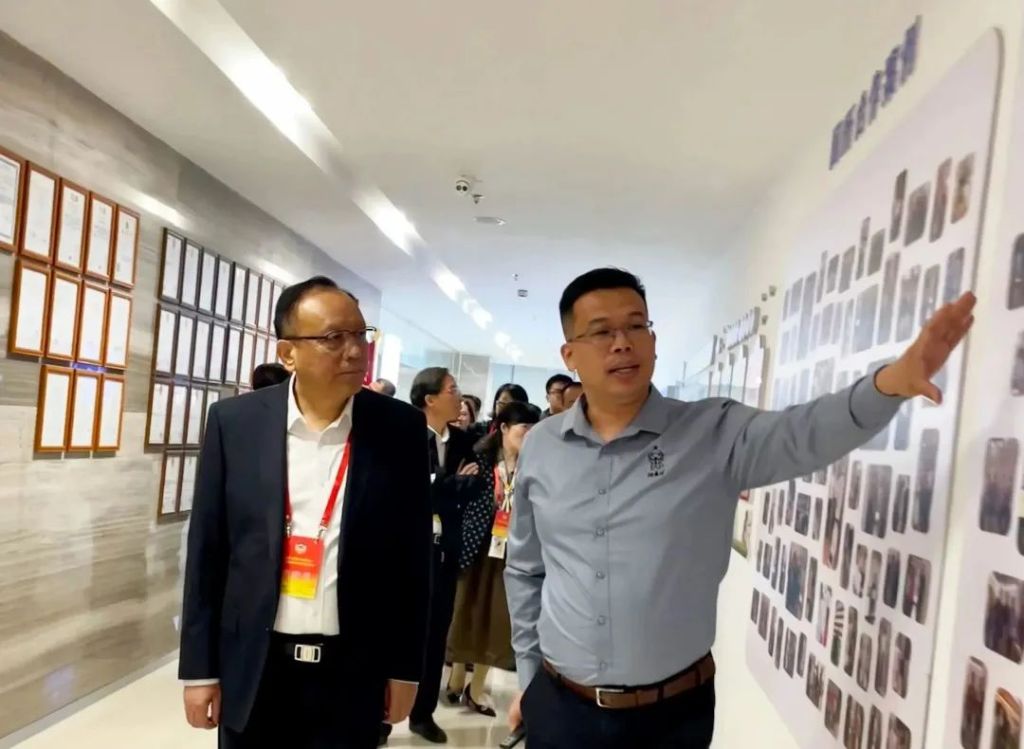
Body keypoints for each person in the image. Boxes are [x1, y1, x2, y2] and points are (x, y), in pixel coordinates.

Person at [504, 267, 976, 748]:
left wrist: (889, 384)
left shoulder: (713, 433)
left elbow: (804, 432)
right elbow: (525, 569)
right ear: (570, 355)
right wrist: (528, 675)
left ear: (652, 339)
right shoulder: (542, 447)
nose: (623, 343)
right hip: (561, 706)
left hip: (671, 718)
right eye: (602, 331)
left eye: (636, 325)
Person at [179, 276, 432, 749]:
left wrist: (405, 669)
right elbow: (208, 552)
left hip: (353, 669)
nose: (355, 351)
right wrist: (199, 671)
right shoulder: (235, 423)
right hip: (253, 666)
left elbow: (413, 562)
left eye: (360, 334)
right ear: (288, 353)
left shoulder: (400, 430)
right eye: (334, 337)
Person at [379, 367, 480, 746]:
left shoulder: (464, 441)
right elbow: (407, 493)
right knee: (393, 633)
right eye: (452, 389)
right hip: (404, 552)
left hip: (445, 550)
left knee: (436, 634)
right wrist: (449, 484)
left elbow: (473, 487)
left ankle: (423, 713)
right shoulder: (403, 436)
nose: (459, 396)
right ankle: (380, 717)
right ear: (430, 399)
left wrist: (444, 486)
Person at [446, 402, 540, 718]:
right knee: (465, 611)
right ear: (503, 428)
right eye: (524, 428)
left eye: (533, 429)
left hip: (511, 550)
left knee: (496, 618)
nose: (529, 435)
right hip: (476, 547)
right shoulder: (480, 458)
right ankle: (457, 675)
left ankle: (477, 687)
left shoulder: (534, 465)